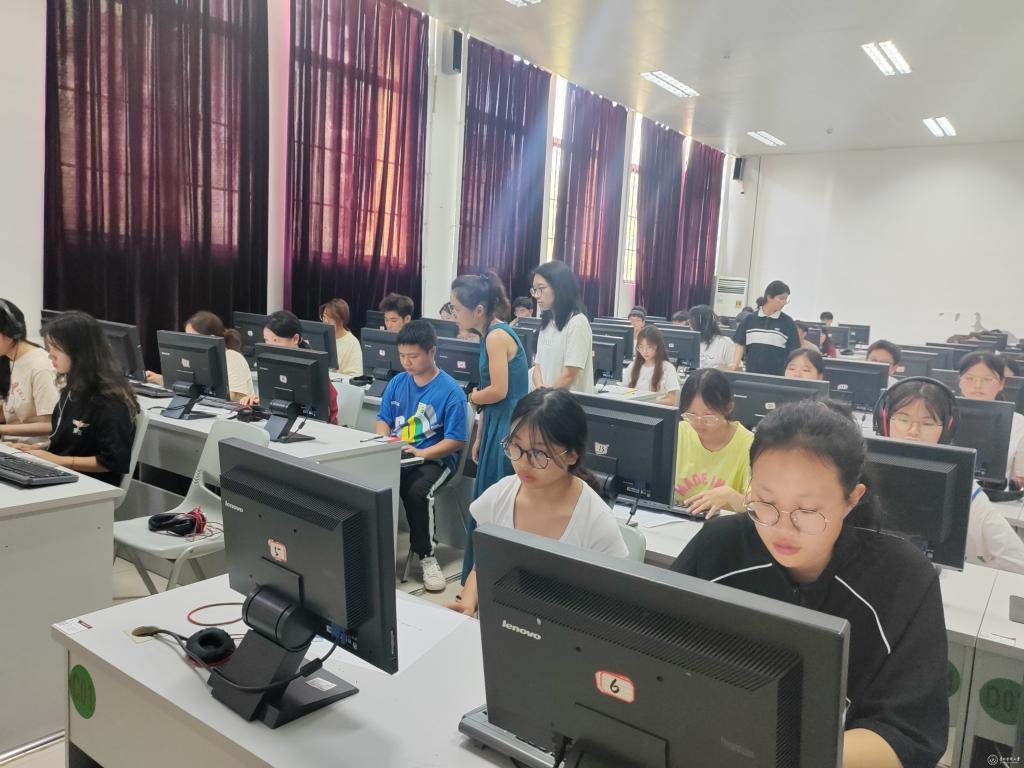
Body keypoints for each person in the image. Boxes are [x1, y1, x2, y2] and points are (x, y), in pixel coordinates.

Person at [672, 400, 948, 767]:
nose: (782, 528)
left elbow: (908, 735)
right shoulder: (719, 547)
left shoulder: (902, 579)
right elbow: (654, 653)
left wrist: (772, 754)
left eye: (807, 511)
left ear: (852, 499)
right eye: (765, 502)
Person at [448, 388, 628, 615]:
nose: (524, 463)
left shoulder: (596, 521)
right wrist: (468, 602)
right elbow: (482, 567)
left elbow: (614, 604)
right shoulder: (499, 497)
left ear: (572, 455)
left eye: (539, 453)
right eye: (516, 446)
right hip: (505, 624)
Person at [875, 377, 1024, 573]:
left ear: (946, 430)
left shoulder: (962, 489)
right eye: (903, 419)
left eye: (927, 423)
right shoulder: (859, 471)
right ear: (885, 421)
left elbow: (1017, 560)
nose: (913, 431)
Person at [375, 320, 469, 591]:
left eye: (413, 356)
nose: (406, 362)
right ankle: (375, 551)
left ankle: (427, 556)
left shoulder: (451, 391)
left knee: (417, 491)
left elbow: (456, 441)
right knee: (369, 480)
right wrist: (386, 441)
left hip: (437, 459)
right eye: (402, 355)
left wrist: (422, 452)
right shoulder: (398, 382)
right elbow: (383, 420)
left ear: (432, 352)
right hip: (400, 452)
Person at [450, 272, 530, 582]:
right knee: (487, 500)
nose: (454, 314)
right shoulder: (490, 335)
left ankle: (490, 582)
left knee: (497, 506)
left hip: (509, 428)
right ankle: (477, 583)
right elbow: (492, 393)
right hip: (497, 422)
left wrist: (470, 397)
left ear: (479, 310)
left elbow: (497, 390)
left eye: (458, 308)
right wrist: (480, 435)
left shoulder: (497, 336)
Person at [10, 311, 139, 486]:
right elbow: (65, 442)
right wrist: (34, 450)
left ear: (79, 351)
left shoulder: (110, 401)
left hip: (89, 485)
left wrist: (56, 460)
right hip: (62, 474)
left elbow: (113, 461)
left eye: (55, 348)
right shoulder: (72, 388)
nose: (50, 355)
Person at [674, 369, 754, 517]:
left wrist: (732, 496)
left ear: (728, 408)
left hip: (725, 525)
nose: (699, 423)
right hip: (676, 519)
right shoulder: (679, 432)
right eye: (691, 414)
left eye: (708, 416)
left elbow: (758, 508)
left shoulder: (750, 445)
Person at [239, 311, 338, 425]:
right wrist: (260, 402)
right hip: (281, 422)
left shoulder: (314, 369)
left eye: (275, 340)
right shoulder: (270, 366)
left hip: (314, 428)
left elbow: (327, 412)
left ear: (295, 339)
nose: (269, 346)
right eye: (266, 340)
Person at [146, 310, 255, 400]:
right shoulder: (197, 357)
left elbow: (236, 396)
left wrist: (199, 392)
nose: (188, 341)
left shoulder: (233, 358)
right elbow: (188, 386)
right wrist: (158, 379)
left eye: (192, 337)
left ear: (211, 338)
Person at [957, 351, 1024, 485]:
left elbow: (1021, 478)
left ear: (1001, 384)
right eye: (970, 378)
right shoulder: (942, 416)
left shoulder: (1019, 424)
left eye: (987, 380)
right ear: (960, 381)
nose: (977, 385)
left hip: (993, 494)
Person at [0, 299, 59, 444]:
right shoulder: (10, 358)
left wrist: (1, 429)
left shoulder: (40, 366)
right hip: (11, 444)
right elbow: (14, 412)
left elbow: (50, 424)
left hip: (32, 449)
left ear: (8, 334)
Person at [530, 261, 594, 393]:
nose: (536, 295)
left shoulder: (577, 322)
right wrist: (540, 392)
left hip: (565, 402)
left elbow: (569, 375)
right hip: (545, 400)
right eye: (535, 290)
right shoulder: (547, 321)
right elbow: (538, 366)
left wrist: (546, 398)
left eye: (541, 288)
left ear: (559, 287)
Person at [731, 280, 799, 376]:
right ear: (769, 297)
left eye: (786, 300)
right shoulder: (749, 320)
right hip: (751, 375)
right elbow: (740, 344)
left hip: (777, 377)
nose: (784, 303)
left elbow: (794, 352)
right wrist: (735, 365)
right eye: (781, 299)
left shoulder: (788, 322)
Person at [624, 326, 680, 405]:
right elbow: (624, 392)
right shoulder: (632, 366)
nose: (644, 351)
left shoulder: (667, 368)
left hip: (656, 410)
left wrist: (648, 402)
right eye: (641, 347)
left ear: (658, 346)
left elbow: (671, 400)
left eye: (649, 347)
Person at [319, 299, 363, 377]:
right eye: (324, 317)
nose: (325, 321)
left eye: (330, 318)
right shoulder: (320, 338)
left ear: (341, 320)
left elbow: (355, 376)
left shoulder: (352, 343)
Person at [688, 305, 734, 370]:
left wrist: (716, 370)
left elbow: (737, 369)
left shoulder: (725, 343)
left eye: (692, 321)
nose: (690, 325)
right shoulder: (690, 342)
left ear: (703, 324)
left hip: (714, 376)